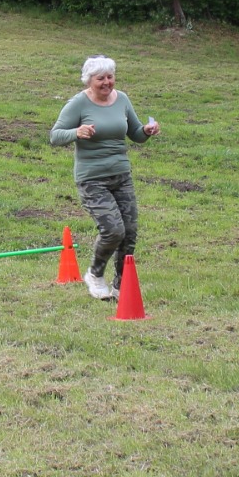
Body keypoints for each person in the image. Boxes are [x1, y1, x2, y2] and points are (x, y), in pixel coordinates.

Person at [50, 55, 159, 299]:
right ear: (89, 81)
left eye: (110, 77)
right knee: (113, 229)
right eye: (101, 79)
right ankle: (95, 274)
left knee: (129, 233)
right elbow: (55, 136)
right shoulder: (78, 104)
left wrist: (147, 131)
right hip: (92, 179)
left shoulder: (122, 99)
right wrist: (76, 132)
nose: (107, 82)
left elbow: (134, 133)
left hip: (121, 175)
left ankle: (122, 287)